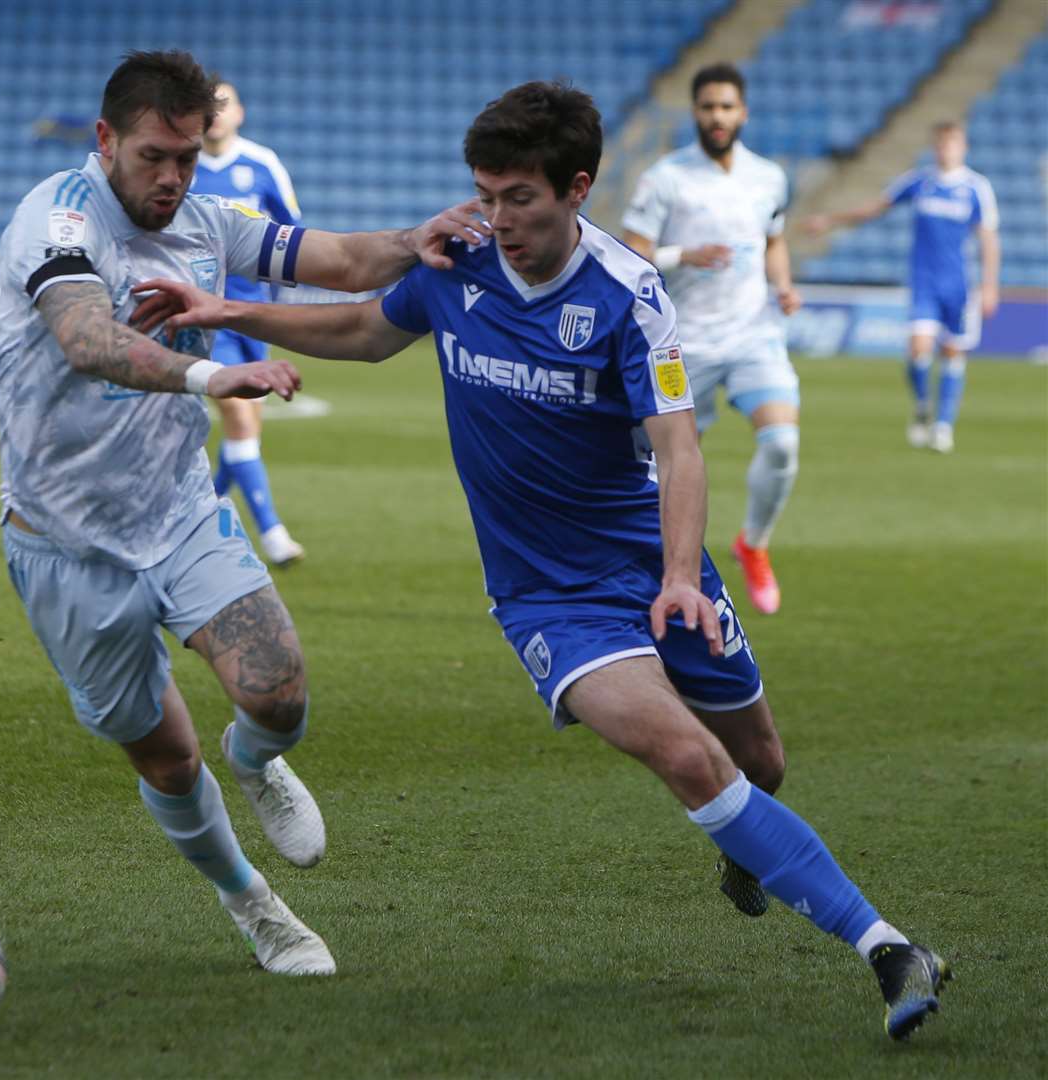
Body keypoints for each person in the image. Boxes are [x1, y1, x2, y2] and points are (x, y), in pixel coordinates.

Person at [134, 80, 952, 1040]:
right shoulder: (460, 263)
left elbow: (679, 444)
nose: (496, 218)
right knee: (687, 757)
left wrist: (683, 576)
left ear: (576, 189)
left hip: (654, 568)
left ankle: (756, 846)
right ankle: (892, 949)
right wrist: (221, 310)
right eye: (484, 193)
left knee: (759, 761)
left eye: (518, 197)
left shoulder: (626, 294)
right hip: (546, 598)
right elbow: (363, 328)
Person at [0, 49, 481, 977]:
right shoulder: (54, 220)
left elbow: (334, 259)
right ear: (106, 142)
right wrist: (217, 373)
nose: (173, 178)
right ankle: (253, 905)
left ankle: (254, 759)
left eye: (187, 155)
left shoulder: (209, 219)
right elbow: (88, 339)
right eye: (153, 157)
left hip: (177, 512)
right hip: (64, 546)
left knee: (279, 693)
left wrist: (419, 236)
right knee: (169, 761)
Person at [621, 62, 801, 617]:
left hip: (753, 336)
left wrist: (784, 284)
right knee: (657, 470)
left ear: (742, 112)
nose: (717, 116)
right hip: (684, 344)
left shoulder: (768, 176)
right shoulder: (667, 178)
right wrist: (683, 256)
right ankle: (649, 572)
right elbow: (630, 255)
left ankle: (753, 543)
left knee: (782, 447)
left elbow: (773, 238)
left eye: (726, 106)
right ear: (694, 113)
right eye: (707, 107)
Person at [804, 120, 999, 454]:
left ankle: (943, 425)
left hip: (959, 286)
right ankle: (923, 405)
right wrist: (830, 220)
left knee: (953, 354)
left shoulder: (976, 188)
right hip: (924, 282)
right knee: (918, 348)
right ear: (934, 146)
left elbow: (988, 238)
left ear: (963, 147)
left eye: (952, 143)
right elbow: (875, 208)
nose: (945, 149)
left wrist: (991, 284)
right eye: (940, 143)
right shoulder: (919, 182)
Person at [190, 80, 307, 567]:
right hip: (202, 315)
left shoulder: (262, 163)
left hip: (254, 316)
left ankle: (198, 520)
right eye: (207, 105)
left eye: (224, 103)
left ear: (240, 112)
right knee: (239, 418)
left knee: (246, 436)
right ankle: (274, 535)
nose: (216, 113)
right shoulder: (181, 164)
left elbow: (292, 232)